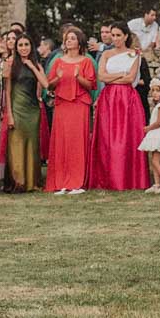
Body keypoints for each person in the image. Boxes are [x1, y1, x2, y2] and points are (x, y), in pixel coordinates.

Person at [90, 23, 151, 191]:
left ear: (125, 36)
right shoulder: (106, 54)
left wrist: (114, 78)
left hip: (127, 98)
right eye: (113, 35)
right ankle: (108, 177)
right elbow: (101, 76)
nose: (115, 38)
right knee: (107, 137)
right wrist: (119, 75)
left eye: (118, 35)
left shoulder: (134, 54)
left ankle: (128, 178)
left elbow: (130, 78)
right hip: (108, 98)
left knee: (127, 137)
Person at [44, 26, 95, 194]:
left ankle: (77, 182)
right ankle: (61, 181)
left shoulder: (86, 61)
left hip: (79, 104)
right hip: (62, 105)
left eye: (72, 38)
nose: (69, 41)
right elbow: (49, 84)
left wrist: (78, 77)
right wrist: (58, 77)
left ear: (79, 42)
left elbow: (91, 85)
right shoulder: (58, 61)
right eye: (67, 39)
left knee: (77, 143)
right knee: (62, 142)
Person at [5, 34, 46, 193]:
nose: (23, 48)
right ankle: (18, 182)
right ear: (16, 48)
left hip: (33, 110)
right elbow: (7, 92)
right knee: (16, 144)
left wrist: (32, 66)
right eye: (20, 45)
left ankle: (32, 182)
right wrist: (9, 114)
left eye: (26, 44)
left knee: (32, 145)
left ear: (31, 46)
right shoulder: (10, 64)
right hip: (16, 108)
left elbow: (46, 84)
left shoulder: (36, 64)